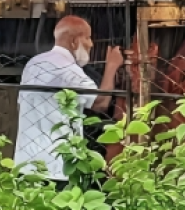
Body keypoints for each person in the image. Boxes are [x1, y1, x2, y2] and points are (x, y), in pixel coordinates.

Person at [15, 16, 124, 181]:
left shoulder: (33, 63)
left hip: (25, 162)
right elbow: (100, 103)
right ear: (74, 41)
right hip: (57, 167)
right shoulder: (68, 70)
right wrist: (112, 65)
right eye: (87, 38)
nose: (91, 44)